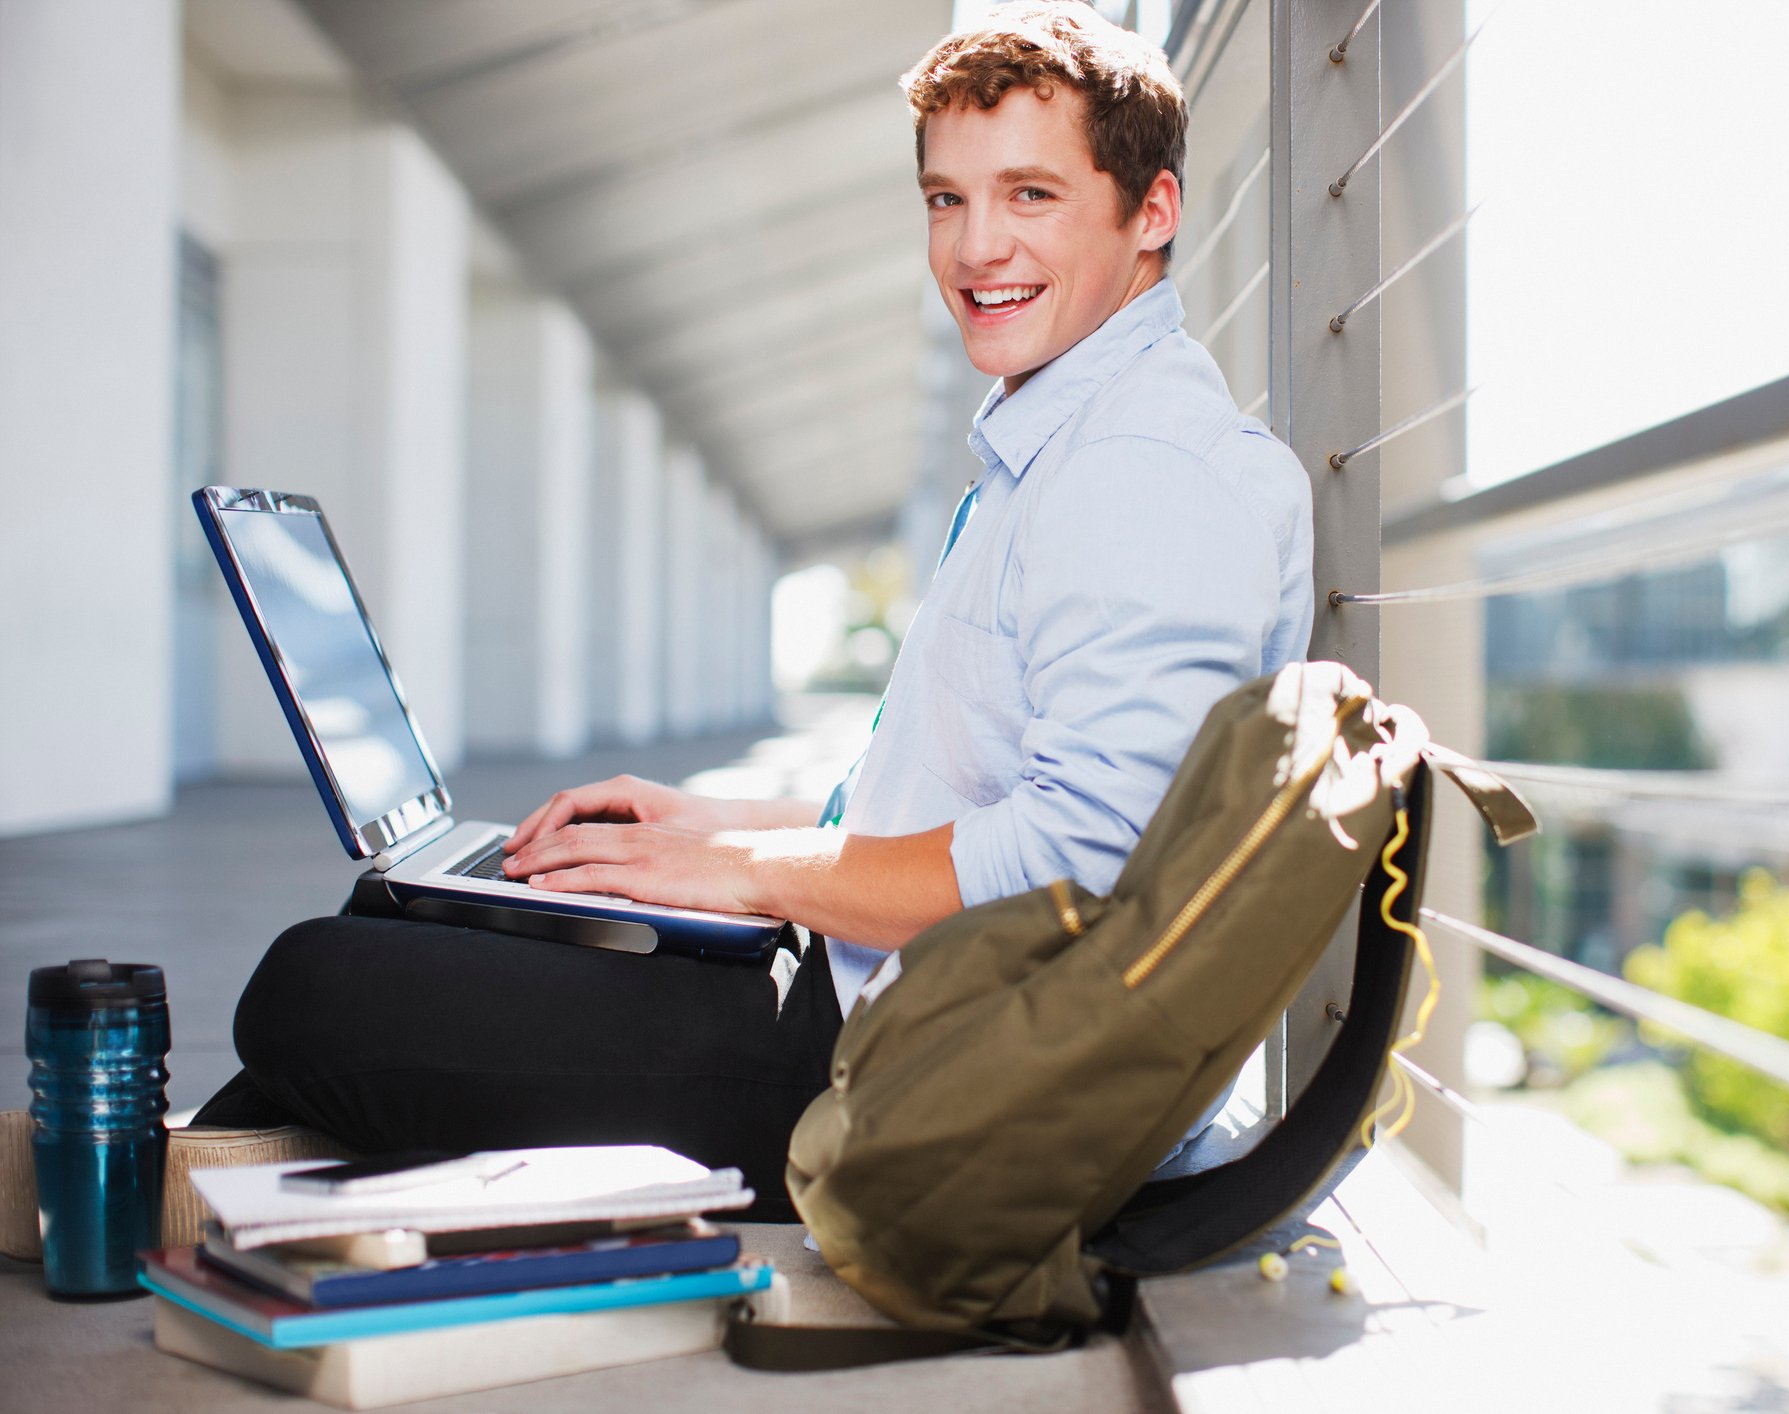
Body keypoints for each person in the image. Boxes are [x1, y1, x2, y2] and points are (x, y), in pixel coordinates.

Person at [172, 1, 1315, 1225]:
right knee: (415, 917)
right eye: (945, 199)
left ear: (1153, 211)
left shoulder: (1143, 469)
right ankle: (188, 1192)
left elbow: (1086, 861)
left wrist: (737, 871)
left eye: (1030, 194)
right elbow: (975, 798)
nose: (977, 247)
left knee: (316, 984)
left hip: (923, 1085)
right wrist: (709, 827)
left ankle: (172, 1189)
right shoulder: (1077, 437)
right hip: (901, 1012)